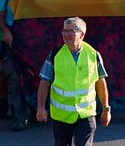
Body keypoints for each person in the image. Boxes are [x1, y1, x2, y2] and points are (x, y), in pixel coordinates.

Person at [36, 16, 111, 146]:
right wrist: (40, 107)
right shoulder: (55, 54)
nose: (66, 34)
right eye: (64, 31)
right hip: (62, 116)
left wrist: (106, 109)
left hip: (86, 115)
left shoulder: (93, 54)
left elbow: (100, 82)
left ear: (82, 34)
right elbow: (44, 82)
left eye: (71, 31)